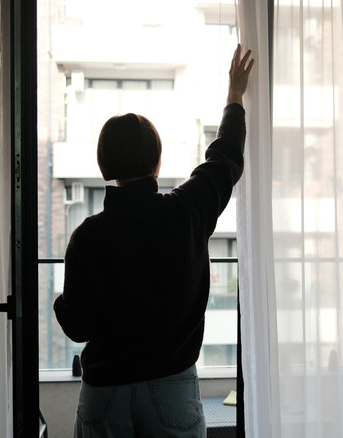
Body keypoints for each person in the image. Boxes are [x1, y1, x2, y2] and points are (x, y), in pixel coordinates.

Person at [53, 45, 255, 438]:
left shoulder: (87, 237)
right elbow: (225, 158)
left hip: (103, 392)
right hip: (172, 388)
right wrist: (234, 97)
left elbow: (77, 325)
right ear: (157, 163)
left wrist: (62, 303)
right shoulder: (186, 210)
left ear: (103, 166)